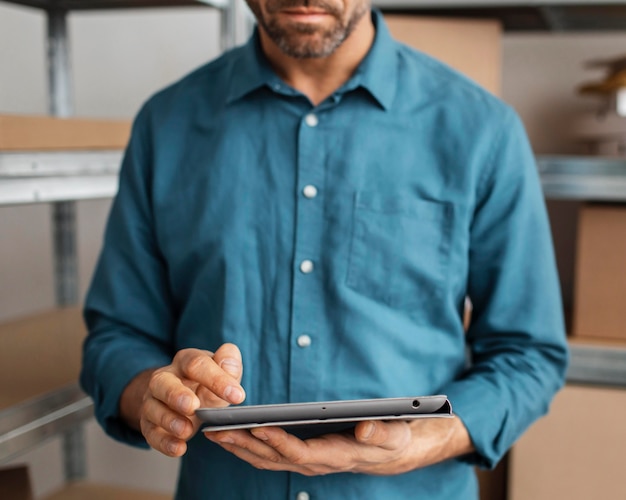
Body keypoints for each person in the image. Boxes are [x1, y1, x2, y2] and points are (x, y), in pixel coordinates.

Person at [80, 0, 569, 498]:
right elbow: (116, 338)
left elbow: (528, 353)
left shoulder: (482, 130)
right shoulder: (166, 124)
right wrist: (153, 395)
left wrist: (423, 440)